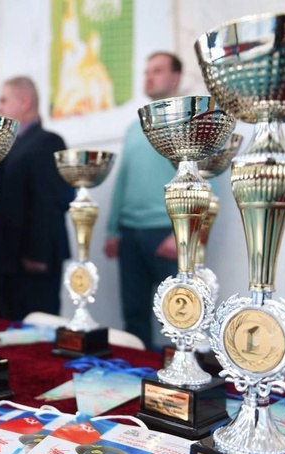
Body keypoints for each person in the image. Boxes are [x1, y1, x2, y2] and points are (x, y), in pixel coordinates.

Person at [103, 52, 183, 350]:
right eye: (147, 71)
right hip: (129, 235)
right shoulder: (134, 128)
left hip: (166, 233)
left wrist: (182, 235)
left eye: (157, 70)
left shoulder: (187, 123)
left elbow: (204, 181)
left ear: (175, 78)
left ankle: (182, 371)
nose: (149, 77)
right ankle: (138, 371)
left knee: (179, 316)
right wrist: (113, 230)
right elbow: (123, 179)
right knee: (134, 314)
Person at [0, 76, 73, 319]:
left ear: (24, 101)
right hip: (11, 259)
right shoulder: (11, 145)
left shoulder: (48, 142)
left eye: (4, 100)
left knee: (38, 323)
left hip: (34, 261)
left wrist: (38, 254)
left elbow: (49, 200)